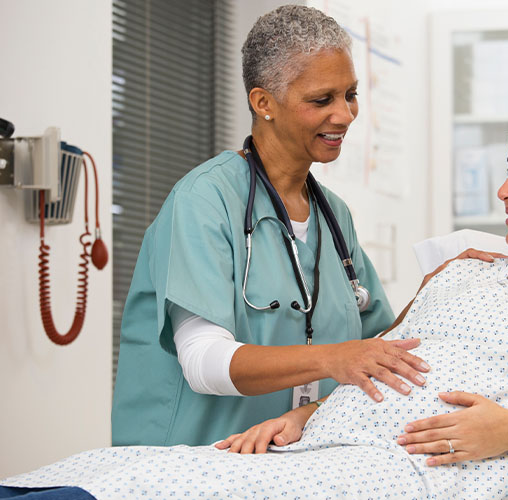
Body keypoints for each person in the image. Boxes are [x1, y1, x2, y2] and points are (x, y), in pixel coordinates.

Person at [1, 105, 508, 499]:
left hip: (406, 478)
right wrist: (299, 416)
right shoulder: (467, 274)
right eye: (505, 168)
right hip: (315, 452)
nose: (503, 189)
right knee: (104, 472)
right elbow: (382, 363)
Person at [110, 4, 430, 448]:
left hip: (290, 468)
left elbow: (376, 345)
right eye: (322, 99)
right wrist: (332, 359)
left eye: (350, 94)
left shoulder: (334, 216)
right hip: (193, 463)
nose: (345, 115)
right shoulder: (205, 201)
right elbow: (204, 362)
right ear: (263, 103)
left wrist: (440, 288)